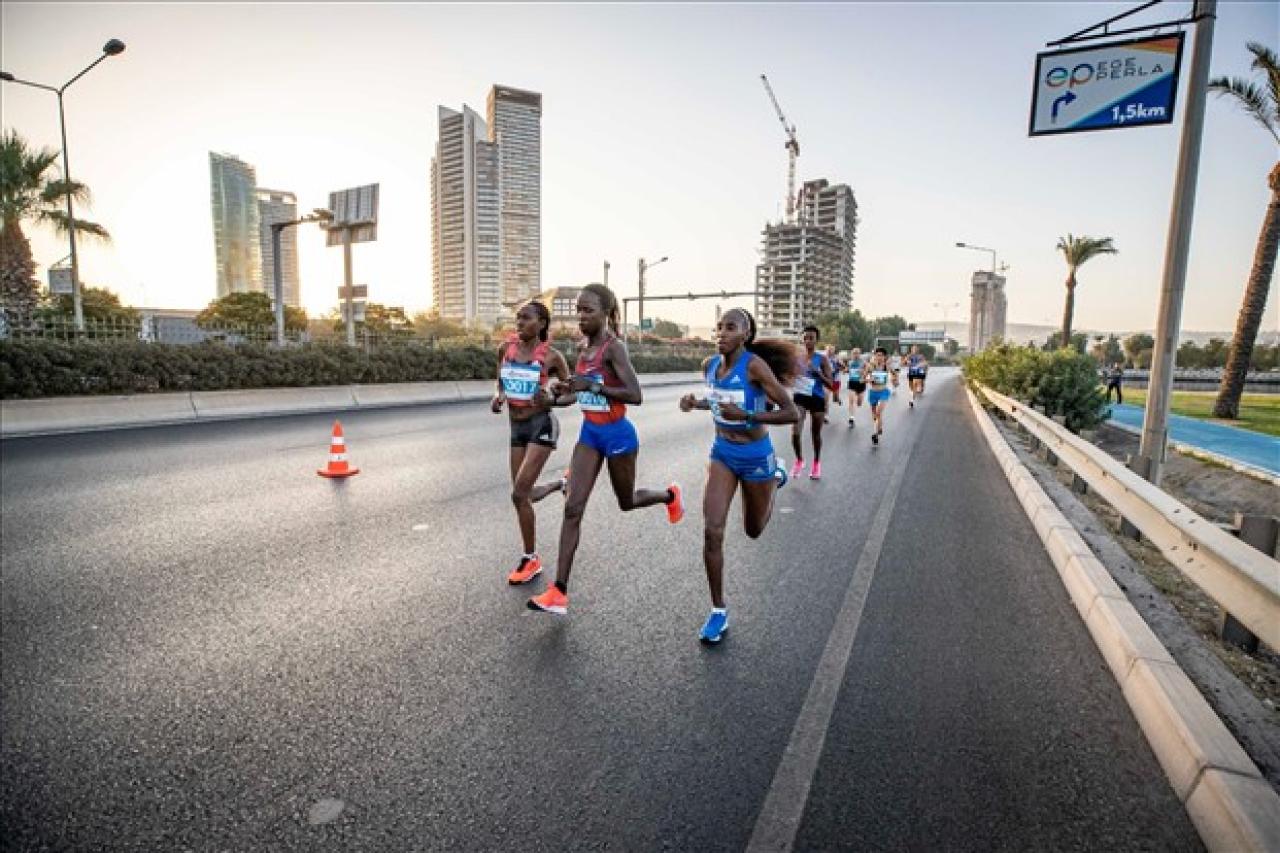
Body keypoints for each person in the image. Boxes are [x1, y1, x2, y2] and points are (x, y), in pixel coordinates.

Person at [527, 283, 685, 616]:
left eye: (588, 311)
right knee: (573, 508)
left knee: (626, 502)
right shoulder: (583, 348)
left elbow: (634, 394)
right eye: (578, 310)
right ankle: (559, 592)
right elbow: (579, 394)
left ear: (606, 313)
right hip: (590, 434)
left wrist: (595, 385)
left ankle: (669, 496)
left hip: (619, 436)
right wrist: (555, 397)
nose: (581, 317)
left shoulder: (615, 349)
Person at [680, 308, 799, 644]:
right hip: (723, 454)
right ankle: (718, 611)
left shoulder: (755, 367)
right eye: (718, 327)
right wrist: (696, 403)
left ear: (745, 334)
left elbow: (790, 411)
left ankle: (774, 478)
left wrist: (747, 416)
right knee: (711, 530)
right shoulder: (710, 366)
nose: (721, 333)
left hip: (755, 456)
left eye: (730, 327)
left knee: (754, 530)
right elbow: (720, 403)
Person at [492, 301, 572, 585]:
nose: (519, 322)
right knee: (522, 495)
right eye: (518, 318)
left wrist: (553, 398)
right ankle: (561, 485)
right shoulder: (506, 350)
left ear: (541, 323)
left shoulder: (552, 356)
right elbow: (500, 380)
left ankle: (530, 558)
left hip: (542, 425)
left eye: (526, 318)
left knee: (518, 494)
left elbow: (572, 393)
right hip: (517, 427)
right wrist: (499, 396)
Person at [789, 325, 834, 480]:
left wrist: (818, 373)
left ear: (816, 340)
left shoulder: (822, 359)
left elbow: (831, 384)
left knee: (815, 434)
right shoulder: (796, 357)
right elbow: (788, 376)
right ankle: (800, 460)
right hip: (800, 396)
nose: (807, 340)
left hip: (817, 398)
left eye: (811, 338)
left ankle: (816, 463)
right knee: (795, 433)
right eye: (805, 337)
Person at [862, 347, 897, 446]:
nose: (879, 357)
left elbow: (895, 374)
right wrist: (869, 380)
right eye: (878, 355)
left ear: (884, 357)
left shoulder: (887, 366)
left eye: (881, 355)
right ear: (875, 356)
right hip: (873, 393)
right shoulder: (870, 366)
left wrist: (895, 380)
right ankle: (879, 427)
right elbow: (861, 379)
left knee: (878, 412)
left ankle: (875, 434)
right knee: (875, 416)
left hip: (883, 392)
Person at [845, 347, 867, 426]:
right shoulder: (850, 362)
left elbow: (867, 374)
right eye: (854, 353)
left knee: (859, 403)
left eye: (857, 353)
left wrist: (863, 372)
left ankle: (858, 400)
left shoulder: (864, 363)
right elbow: (846, 370)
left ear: (860, 354)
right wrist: (846, 370)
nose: (856, 355)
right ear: (852, 354)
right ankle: (851, 418)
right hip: (852, 383)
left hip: (861, 383)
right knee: (851, 401)